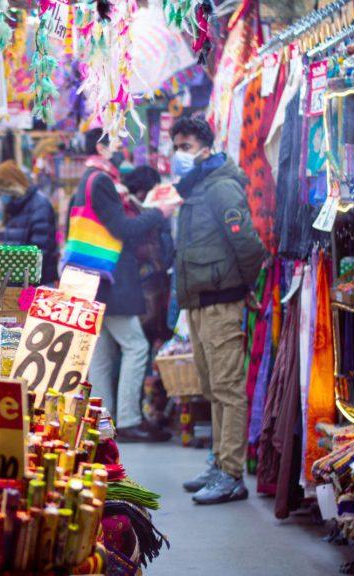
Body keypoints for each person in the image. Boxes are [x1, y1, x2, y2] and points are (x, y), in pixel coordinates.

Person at [170, 117, 266, 505]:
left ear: (206, 147)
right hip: (199, 303)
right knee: (212, 388)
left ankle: (231, 474)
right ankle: (218, 461)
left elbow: (249, 246)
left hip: (221, 301)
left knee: (227, 389)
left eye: (187, 147)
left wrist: (243, 288)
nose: (180, 154)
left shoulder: (222, 187)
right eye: (176, 146)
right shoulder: (197, 186)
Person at [72, 129, 177, 443]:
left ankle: (103, 424)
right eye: (116, 143)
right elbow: (123, 228)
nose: (122, 150)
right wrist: (159, 213)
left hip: (95, 280)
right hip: (111, 280)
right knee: (135, 346)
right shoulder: (101, 181)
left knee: (102, 354)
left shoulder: (92, 179)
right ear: (101, 147)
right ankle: (129, 421)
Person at [121, 166, 175, 345]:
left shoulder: (138, 209)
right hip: (141, 284)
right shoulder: (131, 211)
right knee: (137, 345)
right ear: (143, 192)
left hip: (147, 282)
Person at [0, 160, 59, 284]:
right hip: (19, 282)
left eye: (2, 191)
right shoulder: (14, 207)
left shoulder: (40, 206)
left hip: (38, 284)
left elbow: (40, 252)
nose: (0, 197)